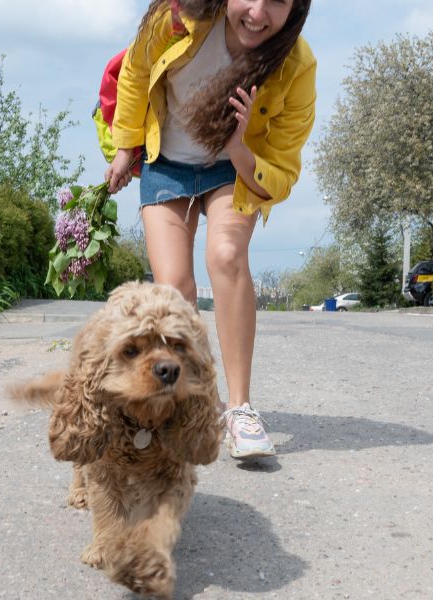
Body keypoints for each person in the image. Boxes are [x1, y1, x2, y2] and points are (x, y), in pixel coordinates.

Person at [105, 0, 315, 459]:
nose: (258, 12)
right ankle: (192, 403)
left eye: (277, 1)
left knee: (225, 255)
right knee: (174, 288)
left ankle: (239, 409)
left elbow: (280, 170)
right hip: (167, 163)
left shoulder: (297, 64)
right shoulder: (179, 18)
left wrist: (238, 147)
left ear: (296, 8)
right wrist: (125, 148)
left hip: (234, 169)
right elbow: (137, 71)